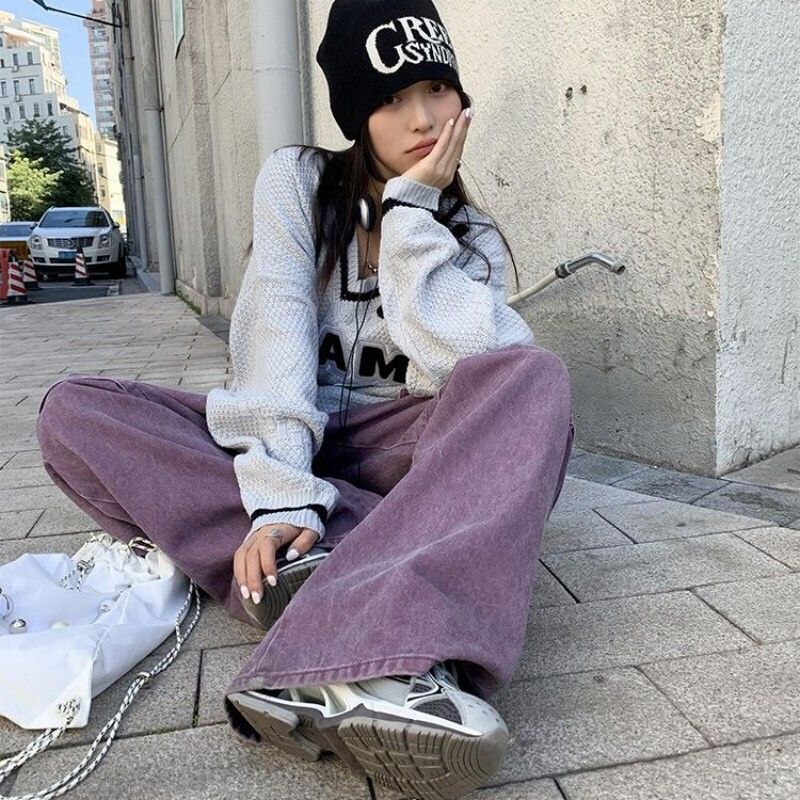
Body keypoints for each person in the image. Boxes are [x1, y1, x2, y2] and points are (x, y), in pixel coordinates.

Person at [34, 1, 575, 798]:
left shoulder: (471, 237)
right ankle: (342, 553)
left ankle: (360, 641)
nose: (423, 119)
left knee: (534, 379)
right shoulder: (298, 183)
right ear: (357, 113)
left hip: (401, 450)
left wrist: (413, 219)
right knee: (75, 413)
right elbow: (276, 335)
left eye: (436, 89)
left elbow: (476, 378)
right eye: (391, 98)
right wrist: (283, 496)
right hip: (292, 438)